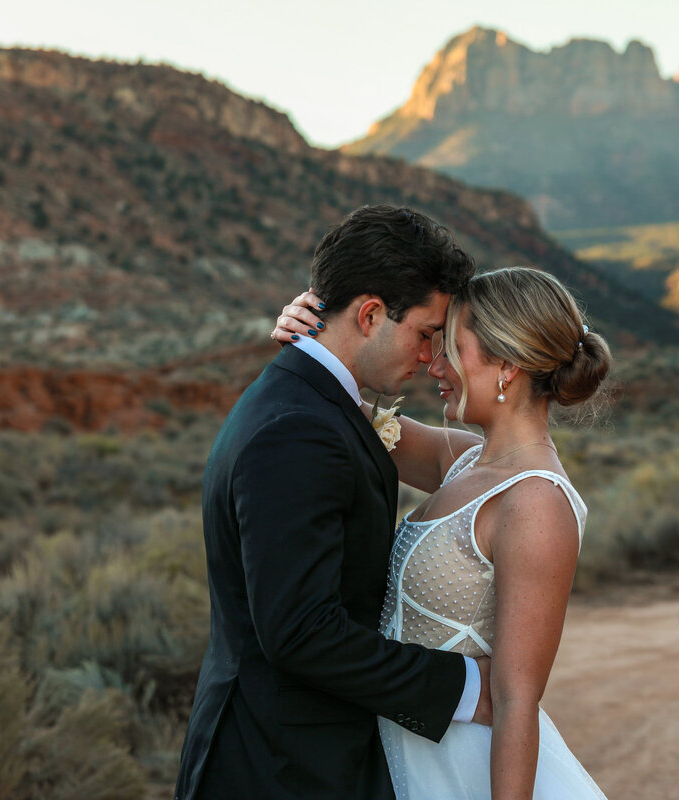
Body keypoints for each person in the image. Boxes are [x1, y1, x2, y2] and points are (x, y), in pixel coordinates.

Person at [174, 205, 489, 800]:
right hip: (277, 772)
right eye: (425, 333)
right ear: (370, 314)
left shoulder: (306, 404)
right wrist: (469, 687)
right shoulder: (299, 429)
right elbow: (300, 632)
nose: (429, 358)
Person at [274, 265, 612, 799]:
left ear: (506, 364)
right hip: (396, 750)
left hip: (460, 773)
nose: (433, 363)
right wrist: (310, 336)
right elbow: (338, 410)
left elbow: (516, 700)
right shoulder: (464, 460)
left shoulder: (536, 502)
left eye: (451, 347)